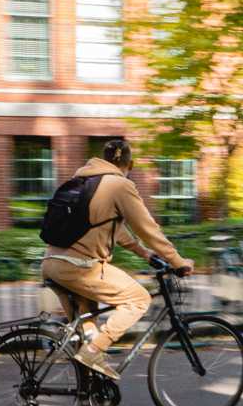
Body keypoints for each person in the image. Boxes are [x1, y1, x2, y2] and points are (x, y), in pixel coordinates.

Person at [41, 139, 193, 381]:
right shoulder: (120, 185)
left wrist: (144, 254)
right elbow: (148, 229)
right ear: (129, 164)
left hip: (52, 264)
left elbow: (112, 229)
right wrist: (178, 261)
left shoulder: (84, 181)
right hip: (80, 268)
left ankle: (87, 401)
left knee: (87, 328)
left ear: (103, 158)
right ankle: (92, 353)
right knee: (138, 299)